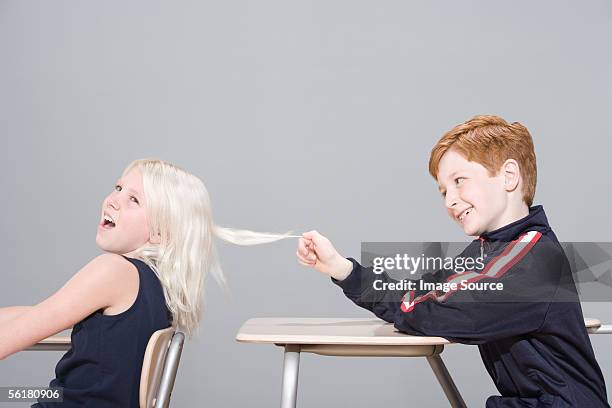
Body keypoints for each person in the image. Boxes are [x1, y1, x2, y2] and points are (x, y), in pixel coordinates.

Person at [296, 115, 609, 407]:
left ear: (508, 176)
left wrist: (414, 304)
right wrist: (340, 268)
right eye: (443, 191)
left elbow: (454, 311)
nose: (449, 201)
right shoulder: (487, 252)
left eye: (460, 181)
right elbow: (417, 296)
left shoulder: (534, 258)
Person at [0, 158, 289, 407]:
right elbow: (41, 314)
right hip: (72, 399)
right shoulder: (157, 286)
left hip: (66, 402)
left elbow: (17, 334)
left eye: (133, 200)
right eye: (118, 188)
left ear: (160, 232)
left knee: (9, 395)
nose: (112, 199)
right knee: (10, 394)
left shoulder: (113, 271)